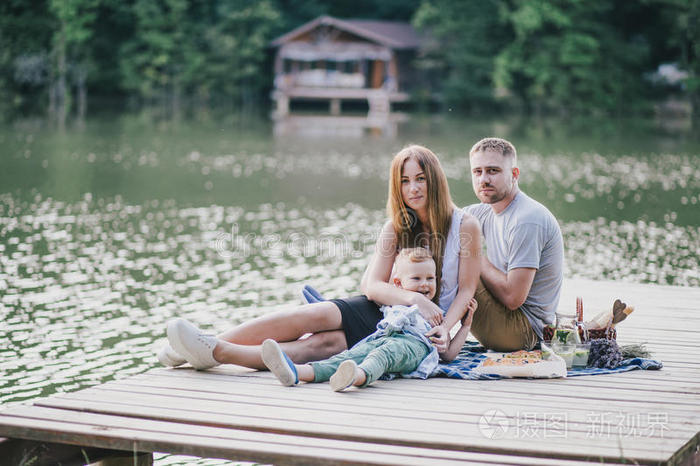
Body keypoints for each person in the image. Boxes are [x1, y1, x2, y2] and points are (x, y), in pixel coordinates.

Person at [162, 145, 481, 370]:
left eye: (420, 178)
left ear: (435, 180)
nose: (413, 188)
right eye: (405, 180)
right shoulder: (396, 227)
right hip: (384, 307)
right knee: (315, 315)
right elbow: (371, 285)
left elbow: (466, 290)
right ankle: (204, 344)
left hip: (419, 327)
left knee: (321, 347)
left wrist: (444, 326)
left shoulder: (465, 225)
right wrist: (413, 297)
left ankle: (215, 352)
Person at [261, 247, 477, 391]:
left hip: (414, 347)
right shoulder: (397, 304)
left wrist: (465, 326)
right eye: (417, 278)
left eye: (430, 278)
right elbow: (368, 300)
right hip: (383, 337)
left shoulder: (434, 313)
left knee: (382, 356)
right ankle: (298, 372)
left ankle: (358, 376)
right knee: (351, 354)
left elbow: (447, 354)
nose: (425, 284)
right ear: (399, 284)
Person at [465, 137, 564, 352]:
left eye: (493, 171)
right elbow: (439, 221)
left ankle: (412, 339)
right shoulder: (482, 211)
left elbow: (512, 298)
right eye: (477, 172)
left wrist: (473, 254)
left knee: (446, 255)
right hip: (503, 320)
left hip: (524, 333)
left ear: (514, 174)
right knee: (431, 245)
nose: (483, 179)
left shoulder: (527, 219)